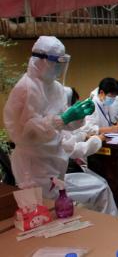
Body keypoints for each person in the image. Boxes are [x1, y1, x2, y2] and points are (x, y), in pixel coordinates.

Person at [3, 36, 95, 198]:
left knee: (61, 210)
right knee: (43, 213)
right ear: (40, 61)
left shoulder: (57, 88)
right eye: (56, 62)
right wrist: (62, 119)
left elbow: (65, 123)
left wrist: (77, 116)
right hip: (32, 167)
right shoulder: (25, 88)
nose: (60, 67)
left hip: (55, 161)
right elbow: (26, 133)